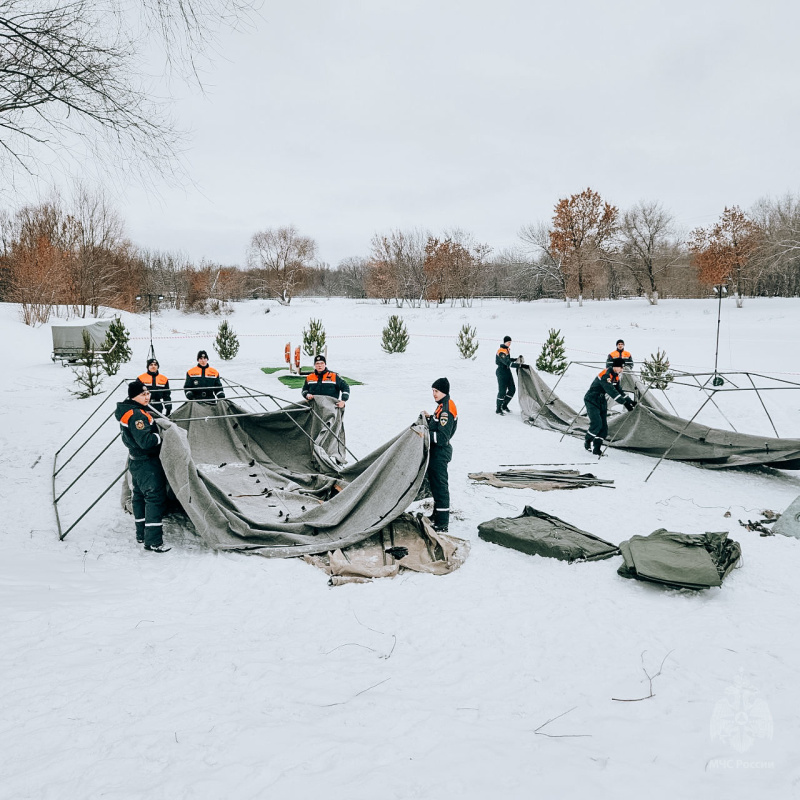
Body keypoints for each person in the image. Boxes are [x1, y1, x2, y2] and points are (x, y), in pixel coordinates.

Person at [115, 380, 171, 552]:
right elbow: (146, 441)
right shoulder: (138, 415)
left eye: (148, 393)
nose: (147, 396)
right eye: (143, 394)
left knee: (138, 495)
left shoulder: (126, 411)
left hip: (135, 460)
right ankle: (153, 541)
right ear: (133, 396)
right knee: (154, 497)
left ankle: (141, 534)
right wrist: (159, 436)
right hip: (147, 462)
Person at [424, 377, 458, 532]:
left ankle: (442, 523)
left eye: (436, 391)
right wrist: (430, 418)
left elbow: (443, 437)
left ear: (443, 391)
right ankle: (437, 515)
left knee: (440, 487)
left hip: (440, 452)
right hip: (436, 452)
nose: (434, 394)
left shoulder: (446, 410)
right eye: (433, 391)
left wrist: (425, 435)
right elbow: (437, 425)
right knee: (436, 485)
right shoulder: (442, 406)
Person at [583, 358, 637, 456]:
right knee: (597, 424)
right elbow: (611, 391)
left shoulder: (616, 377)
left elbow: (619, 390)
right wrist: (624, 403)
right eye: (621, 367)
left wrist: (630, 401)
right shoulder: (606, 375)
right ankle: (587, 441)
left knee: (604, 428)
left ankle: (597, 449)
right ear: (615, 366)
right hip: (592, 399)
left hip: (601, 400)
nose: (622, 370)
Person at [495, 336, 520, 415]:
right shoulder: (501, 351)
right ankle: (498, 409)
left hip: (507, 371)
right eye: (508, 342)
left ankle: (504, 405)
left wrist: (516, 359)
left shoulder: (506, 349)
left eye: (510, 342)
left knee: (512, 389)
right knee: (502, 392)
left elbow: (508, 360)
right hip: (501, 372)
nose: (509, 344)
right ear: (504, 342)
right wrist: (518, 365)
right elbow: (507, 362)